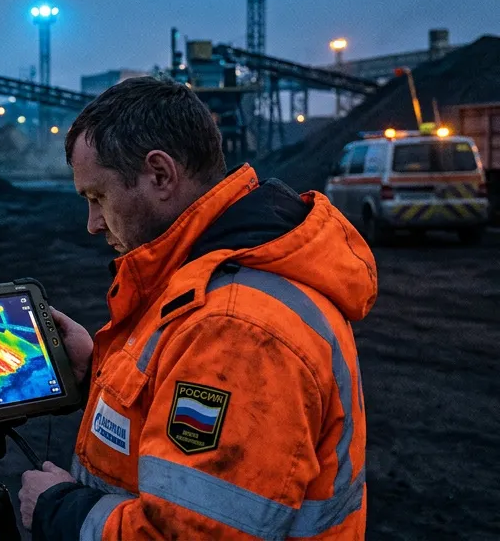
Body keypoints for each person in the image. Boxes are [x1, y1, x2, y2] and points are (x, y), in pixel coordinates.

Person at [19, 77, 375, 540]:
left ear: (160, 175)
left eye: (97, 197)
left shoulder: (238, 330)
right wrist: (94, 372)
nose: (93, 223)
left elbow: (194, 533)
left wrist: (58, 510)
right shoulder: (203, 276)